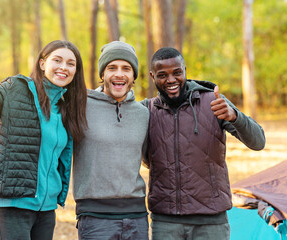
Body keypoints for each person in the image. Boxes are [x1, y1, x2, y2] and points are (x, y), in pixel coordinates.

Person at [0, 19, 87, 240]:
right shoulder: (16, 89)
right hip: (10, 203)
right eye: (57, 60)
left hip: (45, 209)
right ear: (43, 63)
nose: (64, 67)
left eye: (71, 64)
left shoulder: (67, 107)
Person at [142, 47, 266, 240]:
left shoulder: (213, 102)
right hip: (165, 222)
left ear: (185, 70)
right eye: (162, 75)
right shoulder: (146, 110)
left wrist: (235, 117)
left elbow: (258, 142)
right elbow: (145, 157)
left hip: (211, 221)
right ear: (152, 76)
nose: (171, 80)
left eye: (177, 72)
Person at [72, 41, 150, 240]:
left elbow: (152, 159)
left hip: (137, 216)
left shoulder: (143, 113)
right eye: (111, 68)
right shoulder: (80, 106)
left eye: (126, 68)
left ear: (133, 76)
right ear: (102, 74)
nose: (119, 74)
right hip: (95, 217)